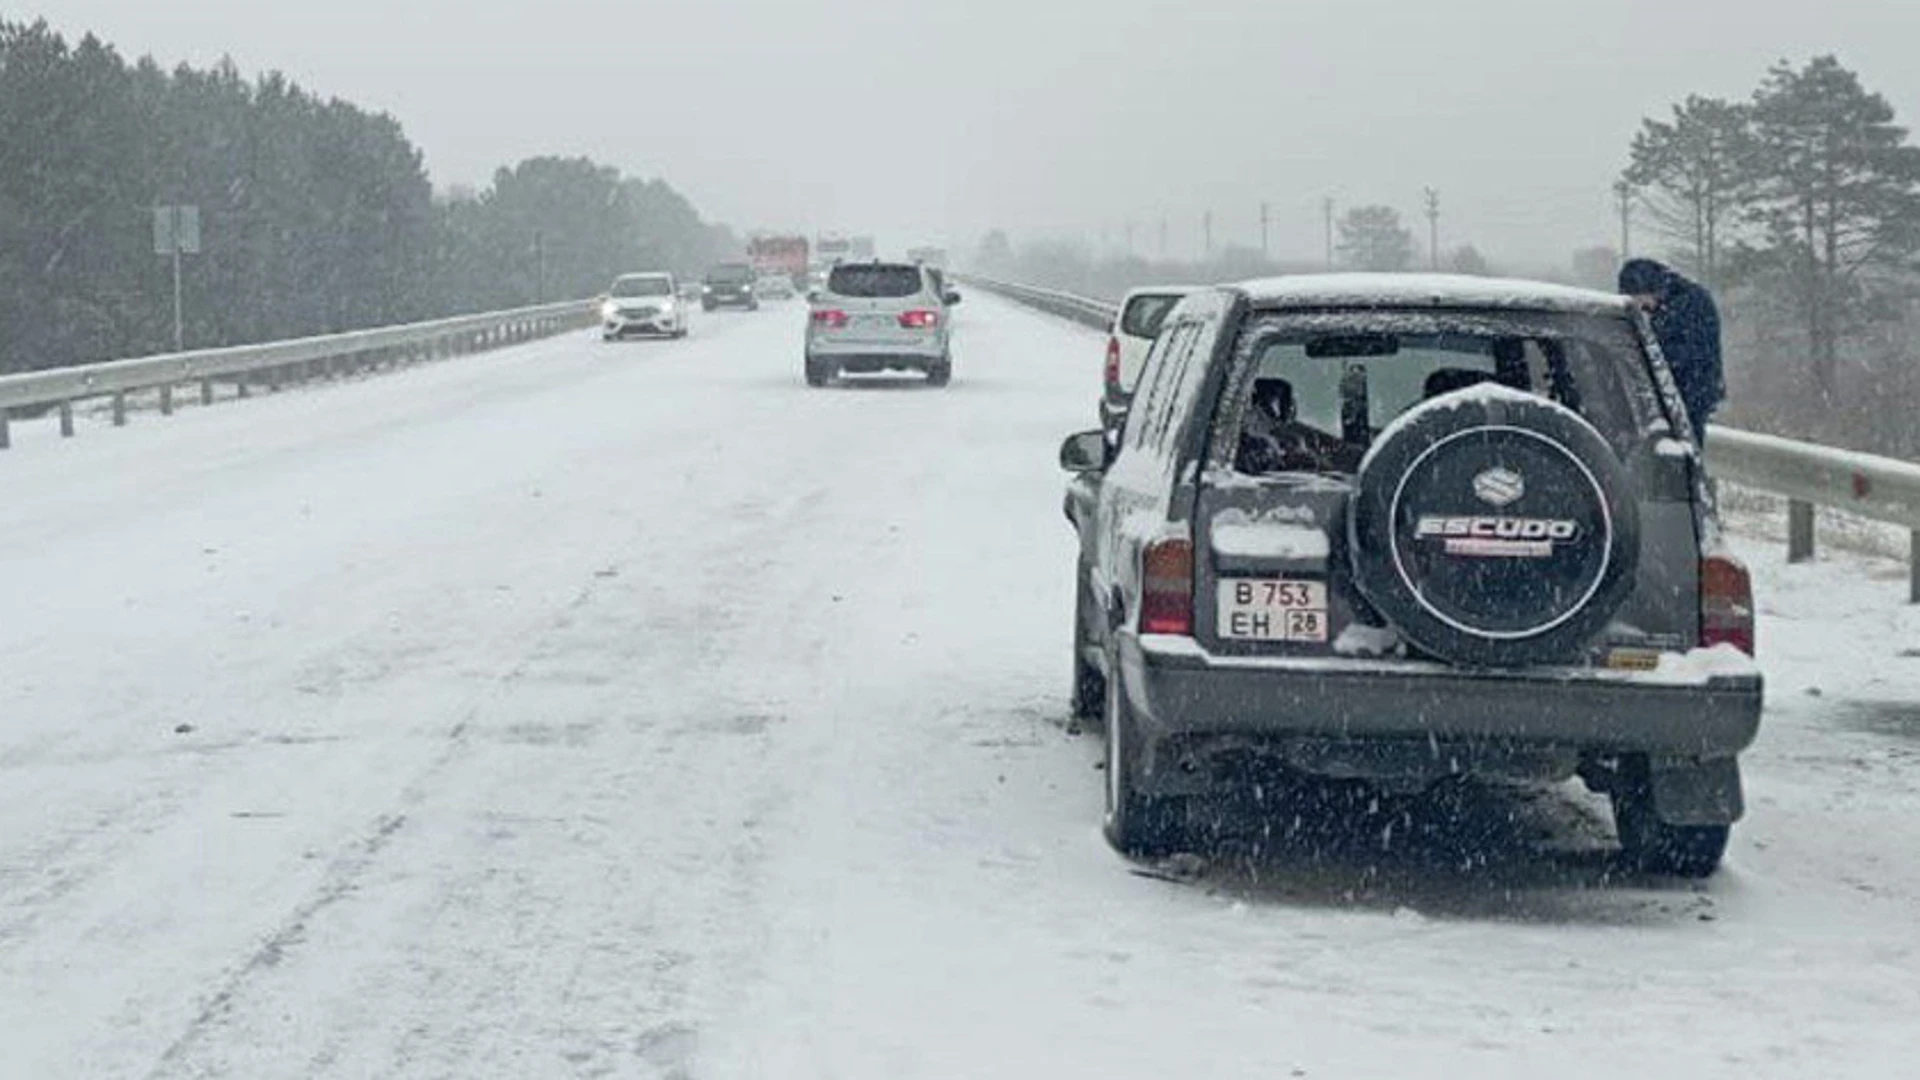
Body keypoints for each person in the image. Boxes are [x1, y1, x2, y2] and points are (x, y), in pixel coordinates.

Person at [1618, 259, 1724, 444]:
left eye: (1641, 302)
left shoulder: (1688, 304)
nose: (1643, 310)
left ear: (1647, 289)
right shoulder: (1675, 302)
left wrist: (1650, 359)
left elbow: (1690, 352)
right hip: (1686, 389)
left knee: (1686, 443)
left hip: (1690, 390)